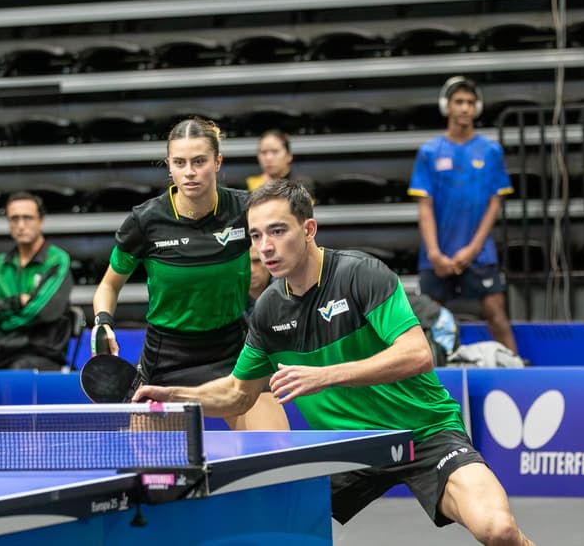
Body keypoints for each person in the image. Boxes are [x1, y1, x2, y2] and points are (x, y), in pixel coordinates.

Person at [133, 180, 534, 546]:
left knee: (497, 530)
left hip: (424, 433)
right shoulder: (269, 310)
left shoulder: (359, 274)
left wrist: (327, 376)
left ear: (308, 230)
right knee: (270, 529)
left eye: (277, 231)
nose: (265, 247)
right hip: (348, 449)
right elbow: (238, 393)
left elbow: (417, 353)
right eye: (255, 235)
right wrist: (175, 395)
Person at [92, 117, 289, 430]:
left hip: (234, 351)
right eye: (180, 162)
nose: (190, 172)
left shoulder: (244, 210)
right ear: (169, 166)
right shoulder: (145, 221)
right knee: (154, 474)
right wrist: (103, 322)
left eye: (199, 161)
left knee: (275, 452)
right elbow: (108, 286)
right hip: (167, 357)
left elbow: (287, 251)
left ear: (218, 162)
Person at [408, 76, 518, 354]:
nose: (465, 108)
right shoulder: (429, 152)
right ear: (447, 106)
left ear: (477, 107)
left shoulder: (491, 151)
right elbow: (425, 205)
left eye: (470, 102)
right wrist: (434, 253)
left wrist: (472, 250)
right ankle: (428, 382)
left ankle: (517, 372)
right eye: (459, 102)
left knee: (497, 316)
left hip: (479, 254)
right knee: (429, 323)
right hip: (436, 255)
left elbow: (495, 204)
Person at [0, 191, 73, 370]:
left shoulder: (57, 259)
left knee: (17, 375)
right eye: (14, 219)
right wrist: (15, 302)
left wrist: (3, 320)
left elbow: (43, 312)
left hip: (41, 353)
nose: (21, 225)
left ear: (41, 221)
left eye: (27, 218)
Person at [246, 244, 271, 316]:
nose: (251, 270)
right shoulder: (228, 304)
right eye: (245, 264)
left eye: (257, 261)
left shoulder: (288, 293)